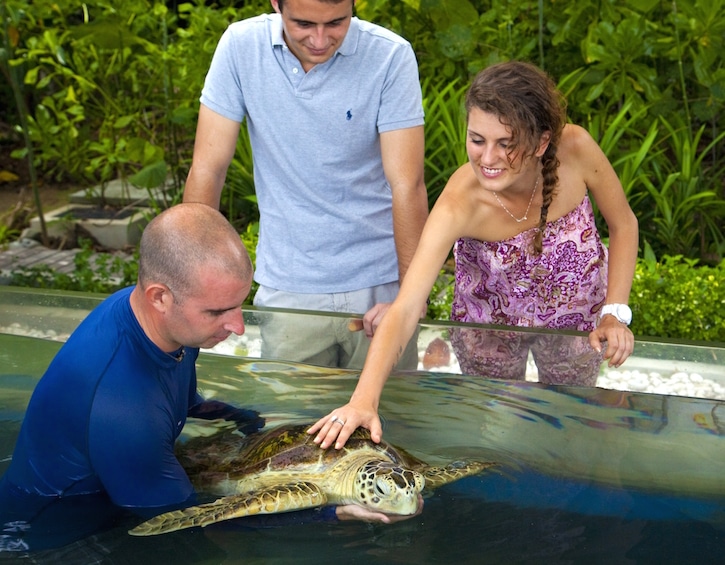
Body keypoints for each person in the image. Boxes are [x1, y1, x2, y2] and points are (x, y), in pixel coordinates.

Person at [0, 204, 410, 554]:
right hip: (60, 534)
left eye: (239, 305)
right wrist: (331, 512)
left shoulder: (161, 318)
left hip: (122, 478)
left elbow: (174, 393)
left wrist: (234, 415)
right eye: (218, 312)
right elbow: (190, 521)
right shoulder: (124, 412)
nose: (237, 327)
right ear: (159, 297)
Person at [309, 60, 639, 450]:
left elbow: (624, 224)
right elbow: (406, 306)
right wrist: (362, 401)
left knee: (570, 421)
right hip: (488, 329)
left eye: (506, 143)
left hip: (576, 321)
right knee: (494, 429)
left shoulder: (577, 148)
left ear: (541, 142)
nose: (487, 158)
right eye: (477, 139)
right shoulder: (459, 202)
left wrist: (615, 313)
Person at [182, 0, 428, 369]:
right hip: (288, 288)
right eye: (303, 23)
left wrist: (411, 297)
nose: (319, 39)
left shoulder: (390, 55)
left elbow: (407, 184)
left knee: (392, 420)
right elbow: (208, 168)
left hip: (379, 286)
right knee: (288, 420)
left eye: (336, 23)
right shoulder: (240, 46)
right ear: (276, 3)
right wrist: (193, 281)